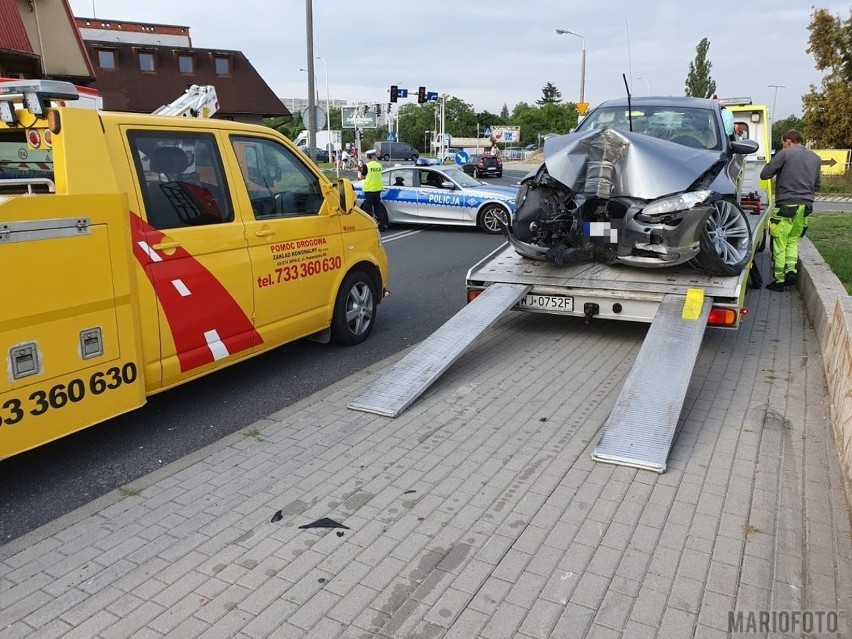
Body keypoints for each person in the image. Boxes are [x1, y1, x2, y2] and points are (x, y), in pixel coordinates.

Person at [759, 129, 822, 291]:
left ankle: (779, 281)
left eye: (783, 143)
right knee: (793, 240)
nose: (783, 145)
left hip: (786, 205)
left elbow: (765, 174)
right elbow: (817, 186)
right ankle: (791, 270)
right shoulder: (816, 158)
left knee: (779, 242)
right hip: (806, 207)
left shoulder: (785, 154)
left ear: (788, 141)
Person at [362, 149, 389, 231]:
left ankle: (369, 225)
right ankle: (382, 225)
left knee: (368, 208)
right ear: (374, 156)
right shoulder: (379, 165)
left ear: (368, 157)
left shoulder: (366, 166)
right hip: (378, 189)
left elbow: (363, 176)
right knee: (377, 207)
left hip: (369, 189)